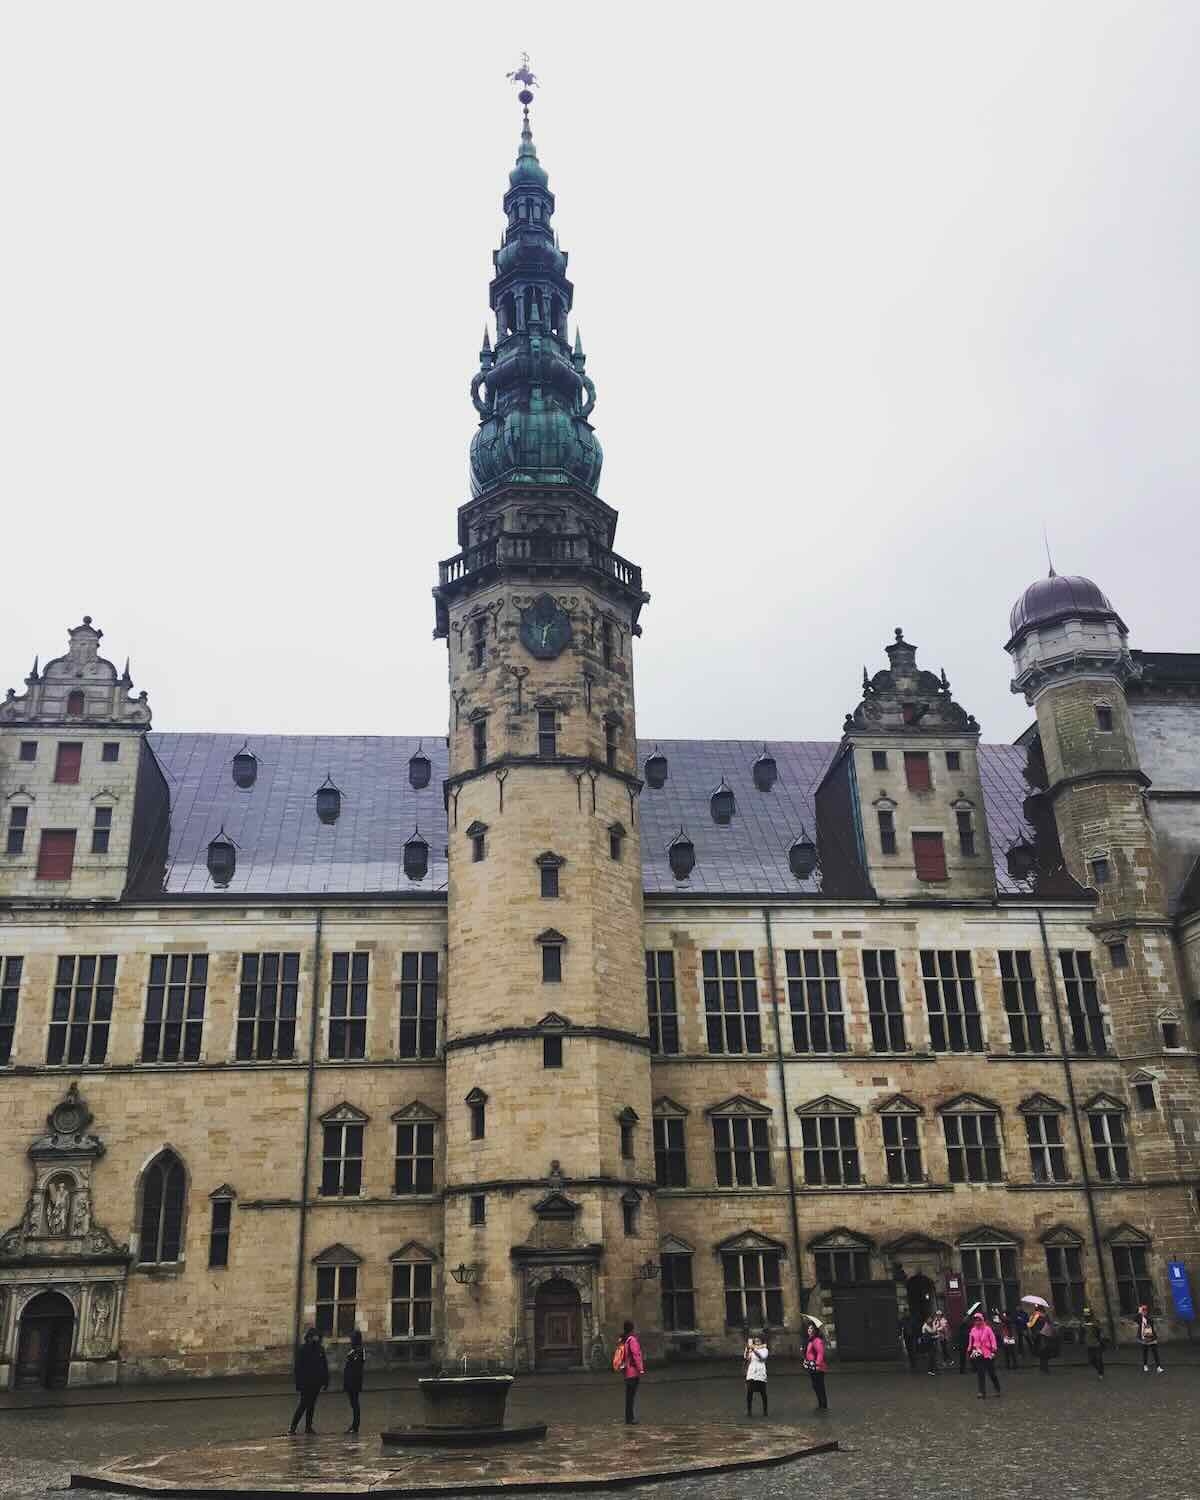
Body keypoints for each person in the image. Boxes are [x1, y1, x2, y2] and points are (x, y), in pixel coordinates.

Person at [289, 1327, 329, 1435]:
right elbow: (298, 1368)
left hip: (316, 1382)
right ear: (309, 1338)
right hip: (306, 1383)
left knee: (311, 1406)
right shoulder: (303, 1349)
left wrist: (325, 1381)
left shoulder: (320, 1349)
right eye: (313, 1337)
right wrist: (299, 1384)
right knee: (303, 1405)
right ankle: (293, 1427)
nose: (315, 1339)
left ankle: (308, 1427)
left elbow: (324, 1366)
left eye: (316, 1337)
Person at [967, 1311, 1001, 1399]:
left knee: (991, 1373)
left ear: (982, 1320)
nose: (977, 1322)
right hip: (978, 1353)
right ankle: (981, 1392)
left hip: (988, 1353)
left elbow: (993, 1339)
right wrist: (969, 1349)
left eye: (979, 1320)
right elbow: (971, 1341)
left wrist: (994, 1349)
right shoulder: (973, 1330)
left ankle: (997, 1389)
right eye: (975, 1320)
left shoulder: (987, 1329)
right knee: (980, 1373)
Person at [618, 1318, 645, 1423]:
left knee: (629, 1397)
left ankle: (628, 1418)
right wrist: (640, 1369)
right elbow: (636, 1355)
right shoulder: (632, 1340)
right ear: (631, 1329)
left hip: (626, 1372)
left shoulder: (624, 1340)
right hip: (633, 1372)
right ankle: (630, 1419)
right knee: (631, 1397)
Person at [342, 1328, 365, 1433]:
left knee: (355, 1403)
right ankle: (354, 1425)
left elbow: (357, 1366)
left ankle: (355, 1425)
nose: (351, 1341)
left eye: (352, 1339)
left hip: (354, 1381)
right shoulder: (354, 1350)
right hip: (350, 1380)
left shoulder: (359, 1350)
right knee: (353, 1403)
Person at [804, 1320, 828, 1412]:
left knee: (820, 1386)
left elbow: (820, 1353)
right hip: (812, 1367)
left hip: (818, 1367)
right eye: (808, 1328)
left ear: (815, 1330)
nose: (809, 1330)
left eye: (811, 1328)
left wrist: (817, 1364)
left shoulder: (817, 1340)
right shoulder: (810, 1340)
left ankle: (823, 1405)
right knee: (815, 1386)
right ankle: (820, 1404)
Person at [744, 1331, 769, 1415]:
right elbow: (747, 1358)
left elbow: (762, 1358)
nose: (757, 1342)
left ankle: (765, 1411)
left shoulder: (764, 1349)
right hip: (751, 1372)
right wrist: (747, 1350)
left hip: (760, 1372)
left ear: (762, 1341)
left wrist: (754, 1349)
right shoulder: (752, 1349)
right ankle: (749, 1410)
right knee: (749, 1392)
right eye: (755, 1341)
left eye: (758, 1341)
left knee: (763, 1392)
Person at [1136, 1304, 1164, 1374]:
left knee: (1155, 1352)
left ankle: (1158, 1367)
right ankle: (1145, 1365)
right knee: (1145, 1352)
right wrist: (1139, 1313)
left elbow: (1150, 1322)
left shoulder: (1149, 1317)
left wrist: (1144, 1317)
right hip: (1143, 1337)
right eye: (1143, 1310)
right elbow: (1135, 1319)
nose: (1144, 1312)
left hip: (1151, 1337)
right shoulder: (1139, 1318)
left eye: (1145, 1311)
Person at [1083, 1305, 1106, 1379]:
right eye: (1085, 1316)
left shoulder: (1095, 1323)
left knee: (1098, 1359)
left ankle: (1101, 1372)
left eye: (1088, 1316)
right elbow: (1083, 1333)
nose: (1086, 1317)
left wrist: (1100, 1341)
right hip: (1089, 1345)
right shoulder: (1084, 1324)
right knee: (1091, 1360)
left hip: (1096, 1344)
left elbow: (1099, 1332)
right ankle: (1100, 1369)